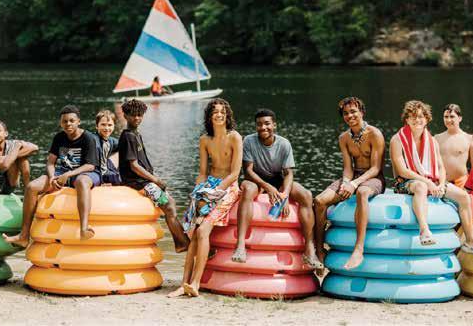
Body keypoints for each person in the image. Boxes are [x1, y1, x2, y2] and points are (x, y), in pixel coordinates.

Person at [390, 100, 473, 259]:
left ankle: (471, 242)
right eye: (413, 117)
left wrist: (442, 184)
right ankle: (424, 231)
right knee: (421, 187)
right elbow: (402, 170)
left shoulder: (432, 141)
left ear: (427, 119)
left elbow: (440, 167)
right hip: (405, 182)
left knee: (464, 197)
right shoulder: (397, 140)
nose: (417, 120)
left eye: (421, 116)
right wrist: (428, 182)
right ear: (407, 119)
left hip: (432, 180)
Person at [230, 108, 322, 269]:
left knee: (306, 195)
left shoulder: (284, 144)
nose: (263, 127)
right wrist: (267, 187)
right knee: (247, 189)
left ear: (274, 125)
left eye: (267, 124)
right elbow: (248, 171)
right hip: (256, 180)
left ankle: (309, 249)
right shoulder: (249, 141)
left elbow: (288, 173)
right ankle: (240, 246)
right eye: (259, 124)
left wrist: (284, 194)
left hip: (278, 180)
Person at [169, 98, 242, 298]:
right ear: (209, 117)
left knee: (202, 231)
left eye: (222, 112)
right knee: (193, 233)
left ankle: (196, 283)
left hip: (228, 187)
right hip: (209, 185)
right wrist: (198, 192)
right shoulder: (204, 140)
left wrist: (215, 191)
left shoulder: (235, 137)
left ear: (227, 116)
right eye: (215, 112)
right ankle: (183, 284)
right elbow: (202, 172)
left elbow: (235, 173)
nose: (219, 115)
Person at [3, 105, 101, 247]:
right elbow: (50, 162)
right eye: (65, 121)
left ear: (79, 121)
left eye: (72, 121)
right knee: (31, 187)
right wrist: (52, 177)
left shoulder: (88, 138)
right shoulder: (59, 137)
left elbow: (90, 165)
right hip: (61, 173)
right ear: (61, 123)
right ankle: (24, 236)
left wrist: (68, 174)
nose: (68, 124)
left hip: (84, 172)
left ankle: (84, 228)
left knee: (82, 182)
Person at [313, 97, 385, 270]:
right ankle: (320, 251)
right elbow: (347, 168)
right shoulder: (344, 138)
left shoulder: (375, 134)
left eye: (353, 111)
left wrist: (354, 184)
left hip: (373, 178)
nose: (350, 116)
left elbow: (375, 168)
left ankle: (358, 250)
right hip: (353, 176)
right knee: (319, 201)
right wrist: (346, 182)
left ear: (362, 112)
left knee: (362, 192)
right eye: (345, 113)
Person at [117, 99, 189, 252]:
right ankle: (182, 243)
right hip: (138, 182)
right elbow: (134, 166)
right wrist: (156, 180)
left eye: (140, 115)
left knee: (171, 204)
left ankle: (181, 242)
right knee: (169, 206)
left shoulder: (135, 134)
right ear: (125, 116)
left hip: (144, 181)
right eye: (133, 115)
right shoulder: (129, 136)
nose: (137, 118)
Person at [434, 103, 473, 188]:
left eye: (452, 117)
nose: (448, 120)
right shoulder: (436, 138)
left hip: (462, 183)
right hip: (442, 182)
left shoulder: (469, 138)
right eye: (446, 117)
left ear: (460, 118)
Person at [94, 110, 121, 185]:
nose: (106, 128)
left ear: (114, 126)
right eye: (103, 125)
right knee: (119, 179)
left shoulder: (111, 141)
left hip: (107, 167)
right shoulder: (93, 140)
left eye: (110, 125)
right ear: (97, 126)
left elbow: (123, 145)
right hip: (99, 173)